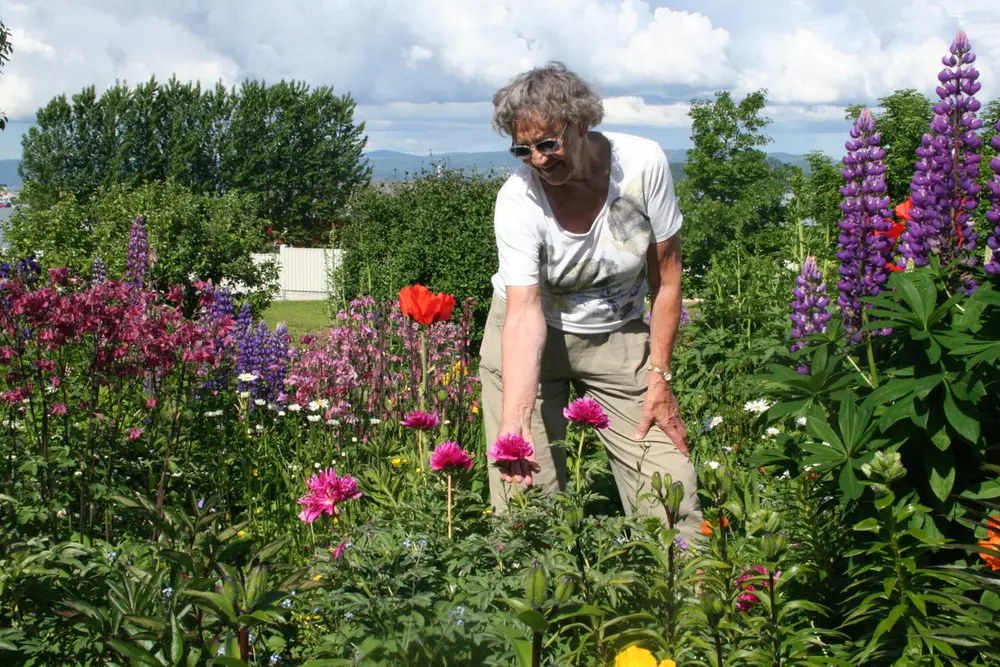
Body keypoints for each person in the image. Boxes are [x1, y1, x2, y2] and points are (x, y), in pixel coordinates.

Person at [479, 62, 701, 541]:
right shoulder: (518, 201)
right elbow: (523, 313)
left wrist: (660, 377)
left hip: (617, 334)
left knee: (670, 483)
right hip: (528, 344)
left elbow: (666, 278)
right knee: (525, 495)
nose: (536, 159)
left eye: (547, 144)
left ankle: (684, 606)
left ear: (581, 124)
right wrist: (515, 423)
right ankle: (535, 607)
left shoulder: (642, 165)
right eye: (523, 149)